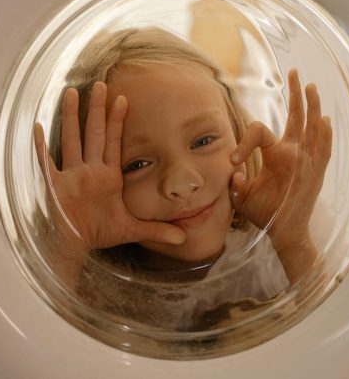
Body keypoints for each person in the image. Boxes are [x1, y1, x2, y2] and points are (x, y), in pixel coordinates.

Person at [32, 27, 332, 331]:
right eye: (137, 164)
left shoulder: (279, 240)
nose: (181, 183)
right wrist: (65, 246)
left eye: (202, 141)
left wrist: (293, 243)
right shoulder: (88, 287)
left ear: (237, 129)